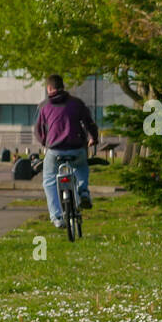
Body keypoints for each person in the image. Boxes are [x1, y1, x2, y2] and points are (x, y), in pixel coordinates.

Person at [35, 75, 99, 228]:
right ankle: (83, 192)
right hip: (77, 148)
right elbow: (89, 123)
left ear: (49, 88)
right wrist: (93, 138)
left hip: (55, 150)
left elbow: (39, 131)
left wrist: (46, 143)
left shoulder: (44, 106)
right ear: (63, 86)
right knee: (81, 166)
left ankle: (57, 217)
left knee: (49, 181)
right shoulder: (77, 103)